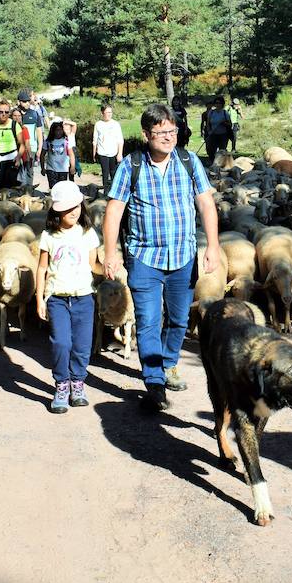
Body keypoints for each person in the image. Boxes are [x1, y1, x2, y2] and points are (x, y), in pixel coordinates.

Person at [102, 102, 222, 411]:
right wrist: (111, 251)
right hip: (144, 256)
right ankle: (154, 381)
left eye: (173, 131)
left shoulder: (188, 161)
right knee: (148, 321)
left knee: (180, 319)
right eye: (161, 132)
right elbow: (114, 210)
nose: (169, 137)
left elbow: (206, 204)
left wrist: (212, 245)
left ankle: (169, 363)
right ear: (146, 134)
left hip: (182, 255)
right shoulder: (132, 165)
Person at [35, 181, 101, 414]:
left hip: (84, 297)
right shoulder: (49, 236)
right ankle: (61, 385)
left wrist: (111, 268)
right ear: (56, 211)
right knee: (61, 343)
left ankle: (78, 384)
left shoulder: (88, 234)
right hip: (58, 299)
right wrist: (39, 299)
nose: (73, 211)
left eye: (76, 206)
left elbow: (95, 265)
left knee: (82, 346)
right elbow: (42, 268)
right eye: (67, 208)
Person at [0, 100, 30, 193]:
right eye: (1, 112)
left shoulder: (14, 125)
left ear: (9, 112)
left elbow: (22, 144)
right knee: (0, 186)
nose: (3, 114)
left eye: (6, 112)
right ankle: (1, 205)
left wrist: (18, 157)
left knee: (10, 185)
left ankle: (11, 205)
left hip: (11, 159)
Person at [93, 103, 124, 192]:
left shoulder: (115, 124)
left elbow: (120, 140)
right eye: (107, 112)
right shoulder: (98, 124)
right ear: (102, 113)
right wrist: (94, 153)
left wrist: (119, 153)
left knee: (114, 173)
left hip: (113, 152)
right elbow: (95, 140)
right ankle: (106, 192)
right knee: (105, 173)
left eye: (110, 112)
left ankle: (114, 192)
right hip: (102, 152)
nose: (109, 114)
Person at [41, 120, 73, 190]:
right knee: (53, 189)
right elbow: (42, 155)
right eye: (57, 130)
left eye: (60, 130)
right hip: (51, 169)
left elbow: (71, 154)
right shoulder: (48, 141)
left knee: (62, 189)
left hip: (63, 169)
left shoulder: (66, 141)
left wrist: (72, 167)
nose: (59, 132)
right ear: (53, 131)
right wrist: (42, 168)